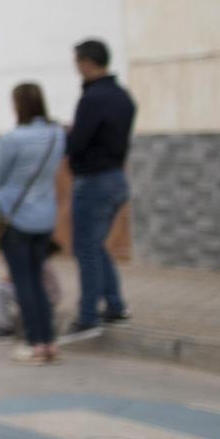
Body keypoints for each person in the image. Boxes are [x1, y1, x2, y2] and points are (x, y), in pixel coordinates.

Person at [0, 83, 65, 365]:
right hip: (45, 216)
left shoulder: (12, 139)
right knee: (37, 279)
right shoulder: (56, 134)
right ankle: (49, 341)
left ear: (17, 106)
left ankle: (34, 343)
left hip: (15, 218)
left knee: (24, 281)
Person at [62, 39, 135, 342]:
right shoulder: (123, 96)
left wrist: (66, 137)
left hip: (93, 180)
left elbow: (77, 143)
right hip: (117, 178)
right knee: (96, 245)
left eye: (77, 62)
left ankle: (88, 316)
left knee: (86, 248)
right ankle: (115, 306)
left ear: (88, 62)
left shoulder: (92, 98)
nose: (76, 68)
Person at [0, 239, 63, 341]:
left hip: (42, 301)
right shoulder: (41, 262)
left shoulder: (33, 262)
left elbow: (7, 279)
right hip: (48, 300)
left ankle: (5, 326)